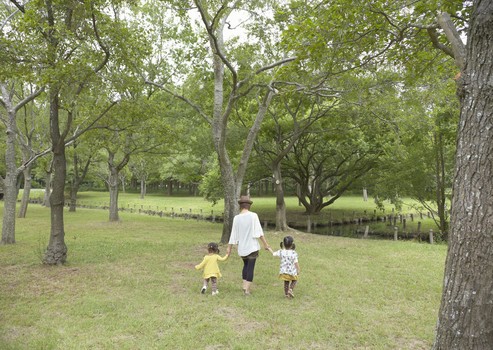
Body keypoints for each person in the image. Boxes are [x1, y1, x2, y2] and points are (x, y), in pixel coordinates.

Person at [226, 195, 271, 296]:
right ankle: (246, 290)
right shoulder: (253, 216)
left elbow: (233, 234)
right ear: (249, 205)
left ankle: (244, 285)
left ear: (240, 206)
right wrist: (266, 244)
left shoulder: (236, 218)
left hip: (242, 248)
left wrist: (229, 248)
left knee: (246, 265)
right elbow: (259, 232)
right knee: (250, 267)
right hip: (252, 247)